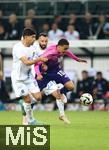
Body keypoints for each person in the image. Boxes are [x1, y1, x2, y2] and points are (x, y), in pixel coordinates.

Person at [22, 33, 70, 124]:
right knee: (33, 99)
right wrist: (38, 72)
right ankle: (25, 118)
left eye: (45, 41)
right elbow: (33, 64)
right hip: (35, 78)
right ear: (38, 41)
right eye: (42, 41)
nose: (44, 43)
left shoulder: (50, 49)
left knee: (57, 95)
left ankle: (62, 115)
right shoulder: (33, 50)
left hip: (47, 77)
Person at [11, 28, 47, 125]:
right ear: (26, 37)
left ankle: (24, 105)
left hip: (29, 77)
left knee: (38, 97)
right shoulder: (17, 47)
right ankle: (31, 120)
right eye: (33, 37)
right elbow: (26, 62)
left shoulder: (33, 47)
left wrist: (43, 62)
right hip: (18, 79)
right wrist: (39, 59)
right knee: (27, 99)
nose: (34, 39)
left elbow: (39, 57)